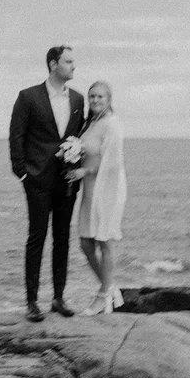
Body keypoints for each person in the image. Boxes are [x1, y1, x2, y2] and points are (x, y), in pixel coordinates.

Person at [9, 45, 86, 322]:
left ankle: (58, 298)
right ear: (53, 64)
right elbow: (16, 136)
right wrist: (23, 173)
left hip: (66, 182)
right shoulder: (28, 97)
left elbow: (79, 135)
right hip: (37, 180)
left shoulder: (77, 99)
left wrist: (77, 166)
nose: (73, 66)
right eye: (68, 61)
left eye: (73, 61)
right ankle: (31, 301)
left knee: (62, 239)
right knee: (36, 239)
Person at [68, 81, 127, 315]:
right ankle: (110, 288)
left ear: (109, 99)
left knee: (104, 241)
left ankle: (102, 295)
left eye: (100, 96)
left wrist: (84, 171)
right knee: (85, 242)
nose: (95, 100)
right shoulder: (91, 123)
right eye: (91, 96)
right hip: (90, 189)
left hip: (108, 188)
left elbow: (113, 162)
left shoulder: (112, 125)